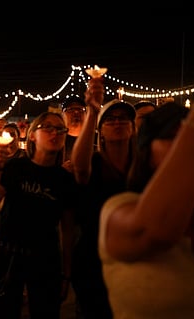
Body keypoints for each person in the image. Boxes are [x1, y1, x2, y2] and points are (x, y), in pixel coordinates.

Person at [99, 101, 194, 318]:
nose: (186, 146)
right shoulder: (119, 208)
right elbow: (155, 232)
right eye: (173, 137)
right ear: (147, 152)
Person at [0, 111, 77, 319]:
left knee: (46, 312)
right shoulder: (16, 167)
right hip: (8, 253)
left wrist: (66, 274)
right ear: (33, 135)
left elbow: (68, 231)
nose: (55, 133)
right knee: (3, 311)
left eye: (60, 129)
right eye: (48, 127)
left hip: (46, 257)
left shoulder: (65, 180)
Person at [70, 77, 136, 319]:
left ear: (133, 128)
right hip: (93, 260)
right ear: (101, 132)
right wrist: (93, 110)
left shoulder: (142, 168)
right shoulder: (94, 163)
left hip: (133, 258)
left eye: (123, 119)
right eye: (110, 119)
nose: (117, 122)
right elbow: (79, 167)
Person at [61, 95, 87, 172]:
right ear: (63, 114)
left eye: (80, 109)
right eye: (71, 109)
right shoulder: (57, 140)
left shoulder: (93, 140)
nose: (76, 112)